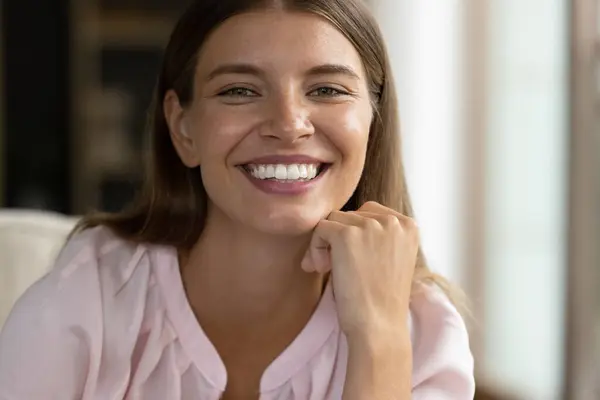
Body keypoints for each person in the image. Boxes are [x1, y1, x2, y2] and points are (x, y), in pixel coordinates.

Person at [0, 0, 475, 399]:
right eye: (240, 90)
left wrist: (378, 337)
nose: (289, 124)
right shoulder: (94, 292)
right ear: (183, 128)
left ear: (373, 121)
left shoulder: (422, 331)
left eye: (327, 89)